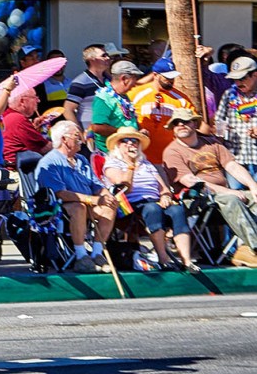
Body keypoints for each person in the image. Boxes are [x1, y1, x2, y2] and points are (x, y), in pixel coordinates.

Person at [162, 108, 257, 268]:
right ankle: (255, 247)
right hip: (196, 199)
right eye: (176, 123)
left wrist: (253, 186)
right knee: (232, 199)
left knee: (253, 198)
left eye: (185, 121)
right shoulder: (172, 152)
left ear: (195, 124)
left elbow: (232, 166)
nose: (180, 125)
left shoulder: (212, 143)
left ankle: (246, 249)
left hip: (222, 198)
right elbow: (190, 181)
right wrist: (229, 191)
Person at [103, 128, 198, 272]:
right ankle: (163, 258)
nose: (130, 144)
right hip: (130, 205)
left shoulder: (147, 164)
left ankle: (186, 261)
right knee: (153, 209)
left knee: (177, 210)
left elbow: (164, 188)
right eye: (125, 141)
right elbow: (124, 188)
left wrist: (165, 196)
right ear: (118, 145)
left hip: (155, 201)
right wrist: (131, 165)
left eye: (134, 140)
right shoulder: (112, 164)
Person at [34, 121, 116, 273]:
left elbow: (96, 186)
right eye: (77, 136)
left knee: (110, 206)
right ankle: (81, 256)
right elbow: (60, 193)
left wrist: (107, 195)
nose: (81, 139)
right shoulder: (49, 161)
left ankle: (97, 253)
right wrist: (91, 199)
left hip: (88, 203)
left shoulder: (82, 160)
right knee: (79, 207)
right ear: (64, 139)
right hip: (58, 208)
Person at [127, 56, 197, 164]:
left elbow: (194, 120)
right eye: (167, 78)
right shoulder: (135, 93)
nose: (171, 81)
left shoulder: (180, 98)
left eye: (172, 78)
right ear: (155, 75)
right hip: (142, 157)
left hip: (171, 158)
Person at [214, 55, 257, 187]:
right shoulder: (229, 94)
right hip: (235, 157)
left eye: (242, 78)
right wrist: (221, 131)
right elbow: (219, 121)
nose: (238, 83)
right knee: (238, 194)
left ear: (255, 75)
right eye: (235, 79)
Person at [90, 60, 143, 154]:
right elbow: (97, 127)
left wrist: (139, 130)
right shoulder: (104, 98)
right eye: (134, 78)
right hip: (111, 153)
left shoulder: (124, 97)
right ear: (125, 79)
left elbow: (128, 120)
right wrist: (122, 132)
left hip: (127, 150)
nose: (135, 84)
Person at [64, 44, 111, 130]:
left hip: (109, 130)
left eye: (107, 55)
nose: (108, 58)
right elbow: (68, 110)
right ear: (92, 59)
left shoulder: (109, 80)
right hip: (90, 134)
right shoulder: (80, 82)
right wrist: (80, 133)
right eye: (103, 55)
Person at [2, 90, 50, 169]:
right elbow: (44, 148)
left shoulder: (7, 115)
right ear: (22, 101)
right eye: (35, 97)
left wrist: (34, 129)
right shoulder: (17, 119)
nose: (38, 100)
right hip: (20, 170)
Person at [34, 49, 71, 114]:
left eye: (60, 62)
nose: (58, 66)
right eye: (54, 63)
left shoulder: (72, 83)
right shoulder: (42, 86)